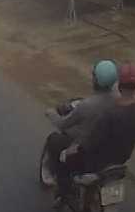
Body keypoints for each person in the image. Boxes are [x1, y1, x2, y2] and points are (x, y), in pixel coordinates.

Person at [55, 62, 135, 199]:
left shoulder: (108, 113)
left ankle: (63, 193)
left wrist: (69, 151)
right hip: (120, 160)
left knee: (62, 157)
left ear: (119, 82)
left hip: (95, 162)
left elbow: (89, 141)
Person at [42, 59, 119, 187]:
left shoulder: (86, 106)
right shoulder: (118, 102)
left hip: (85, 153)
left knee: (54, 140)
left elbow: (63, 124)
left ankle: (61, 186)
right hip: (108, 153)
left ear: (95, 80)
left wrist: (51, 114)